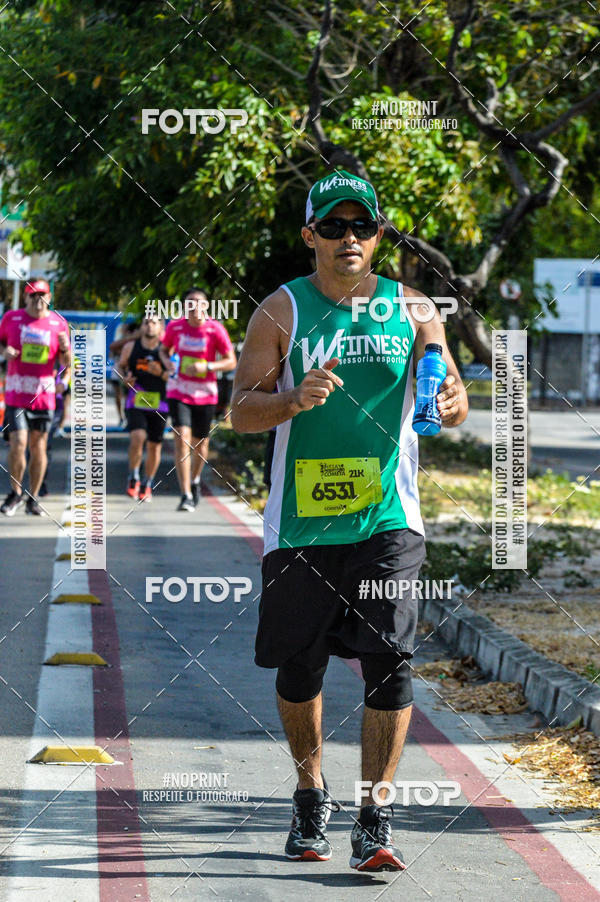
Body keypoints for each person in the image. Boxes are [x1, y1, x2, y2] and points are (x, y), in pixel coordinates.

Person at [231, 170, 468, 871]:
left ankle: (375, 816)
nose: (349, 238)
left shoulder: (416, 310)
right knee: (298, 666)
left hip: (388, 517)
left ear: (379, 234)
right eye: (333, 227)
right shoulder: (280, 310)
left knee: (390, 662)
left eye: (361, 226)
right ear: (310, 236)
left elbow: (453, 400)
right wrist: (292, 400)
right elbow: (240, 412)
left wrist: (449, 401)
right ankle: (310, 793)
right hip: (300, 524)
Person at [0, 279, 71, 516]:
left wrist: (65, 349)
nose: (38, 300)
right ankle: (15, 493)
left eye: (42, 295)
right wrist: (4, 351)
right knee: (18, 442)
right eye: (33, 295)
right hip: (17, 393)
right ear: (26, 298)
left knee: (38, 447)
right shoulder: (11, 318)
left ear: (49, 298)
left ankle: (33, 496)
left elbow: (67, 363)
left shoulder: (58, 323)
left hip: (43, 396)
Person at [161, 287, 236, 511]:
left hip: (205, 393)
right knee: (181, 438)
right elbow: (164, 350)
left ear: (206, 306)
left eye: (198, 302)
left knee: (201, 445)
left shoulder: (215, 329)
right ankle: (185, 494)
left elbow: (231, 361)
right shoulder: (175, 327)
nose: (194, 306)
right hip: (179, 390)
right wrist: (167, 362)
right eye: (189, 302)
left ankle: (194, 480)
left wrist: (208, 366)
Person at [119, 313, 171, 501]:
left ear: (161, 328)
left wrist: (161, 373)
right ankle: (133, 476)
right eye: (146, 322)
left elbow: (174, 376)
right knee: (138, 437)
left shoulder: (167, 351)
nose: (149, 325)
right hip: (136, 400)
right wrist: (124, 377)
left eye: (154, 322)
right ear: (141, 326)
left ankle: (147, 483)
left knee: (154, 446)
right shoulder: (131, 347)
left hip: (160, 404)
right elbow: (120, 366)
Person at [109, 320, 139, 428]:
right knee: (118, 395)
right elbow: (113, 349)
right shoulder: (122, 339)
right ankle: (121, 418)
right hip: (117, 370)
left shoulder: (138, 341)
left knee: (128, 395)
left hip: (129, 371)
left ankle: (128, 417)